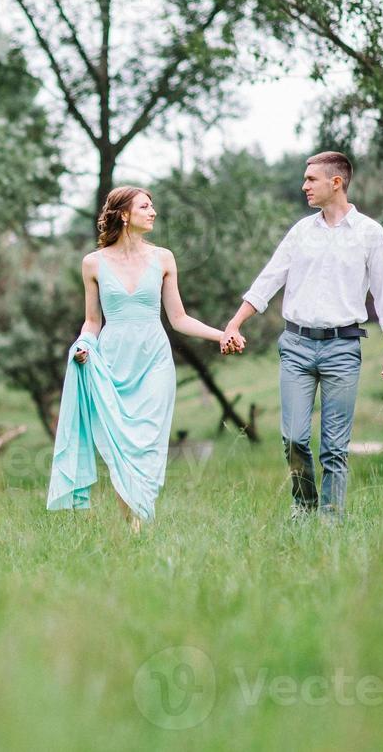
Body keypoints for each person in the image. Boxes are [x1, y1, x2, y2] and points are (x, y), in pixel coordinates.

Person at [219, 151, 383, 522]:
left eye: (311, 180)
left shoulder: (370, 234)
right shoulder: (300, 232)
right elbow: (268, 280)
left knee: (334, 446)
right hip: (297, 347)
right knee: (294, 439)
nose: (304, 185)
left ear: (336, 182)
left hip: (342, 348)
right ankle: (303, 506)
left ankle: (331, 519)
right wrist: (234, 323)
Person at [46, 186, 231, 532]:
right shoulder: (93, 264)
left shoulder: (164, 258)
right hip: (113, 361)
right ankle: (131, 523)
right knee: (122, 445)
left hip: (155, 361)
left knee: (147, 441)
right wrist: (84, 345)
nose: (154, 212)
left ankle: (139, 520)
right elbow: (92, 321)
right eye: (145, 206)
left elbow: (178, 319)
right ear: (124, 215)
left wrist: (221, 335)